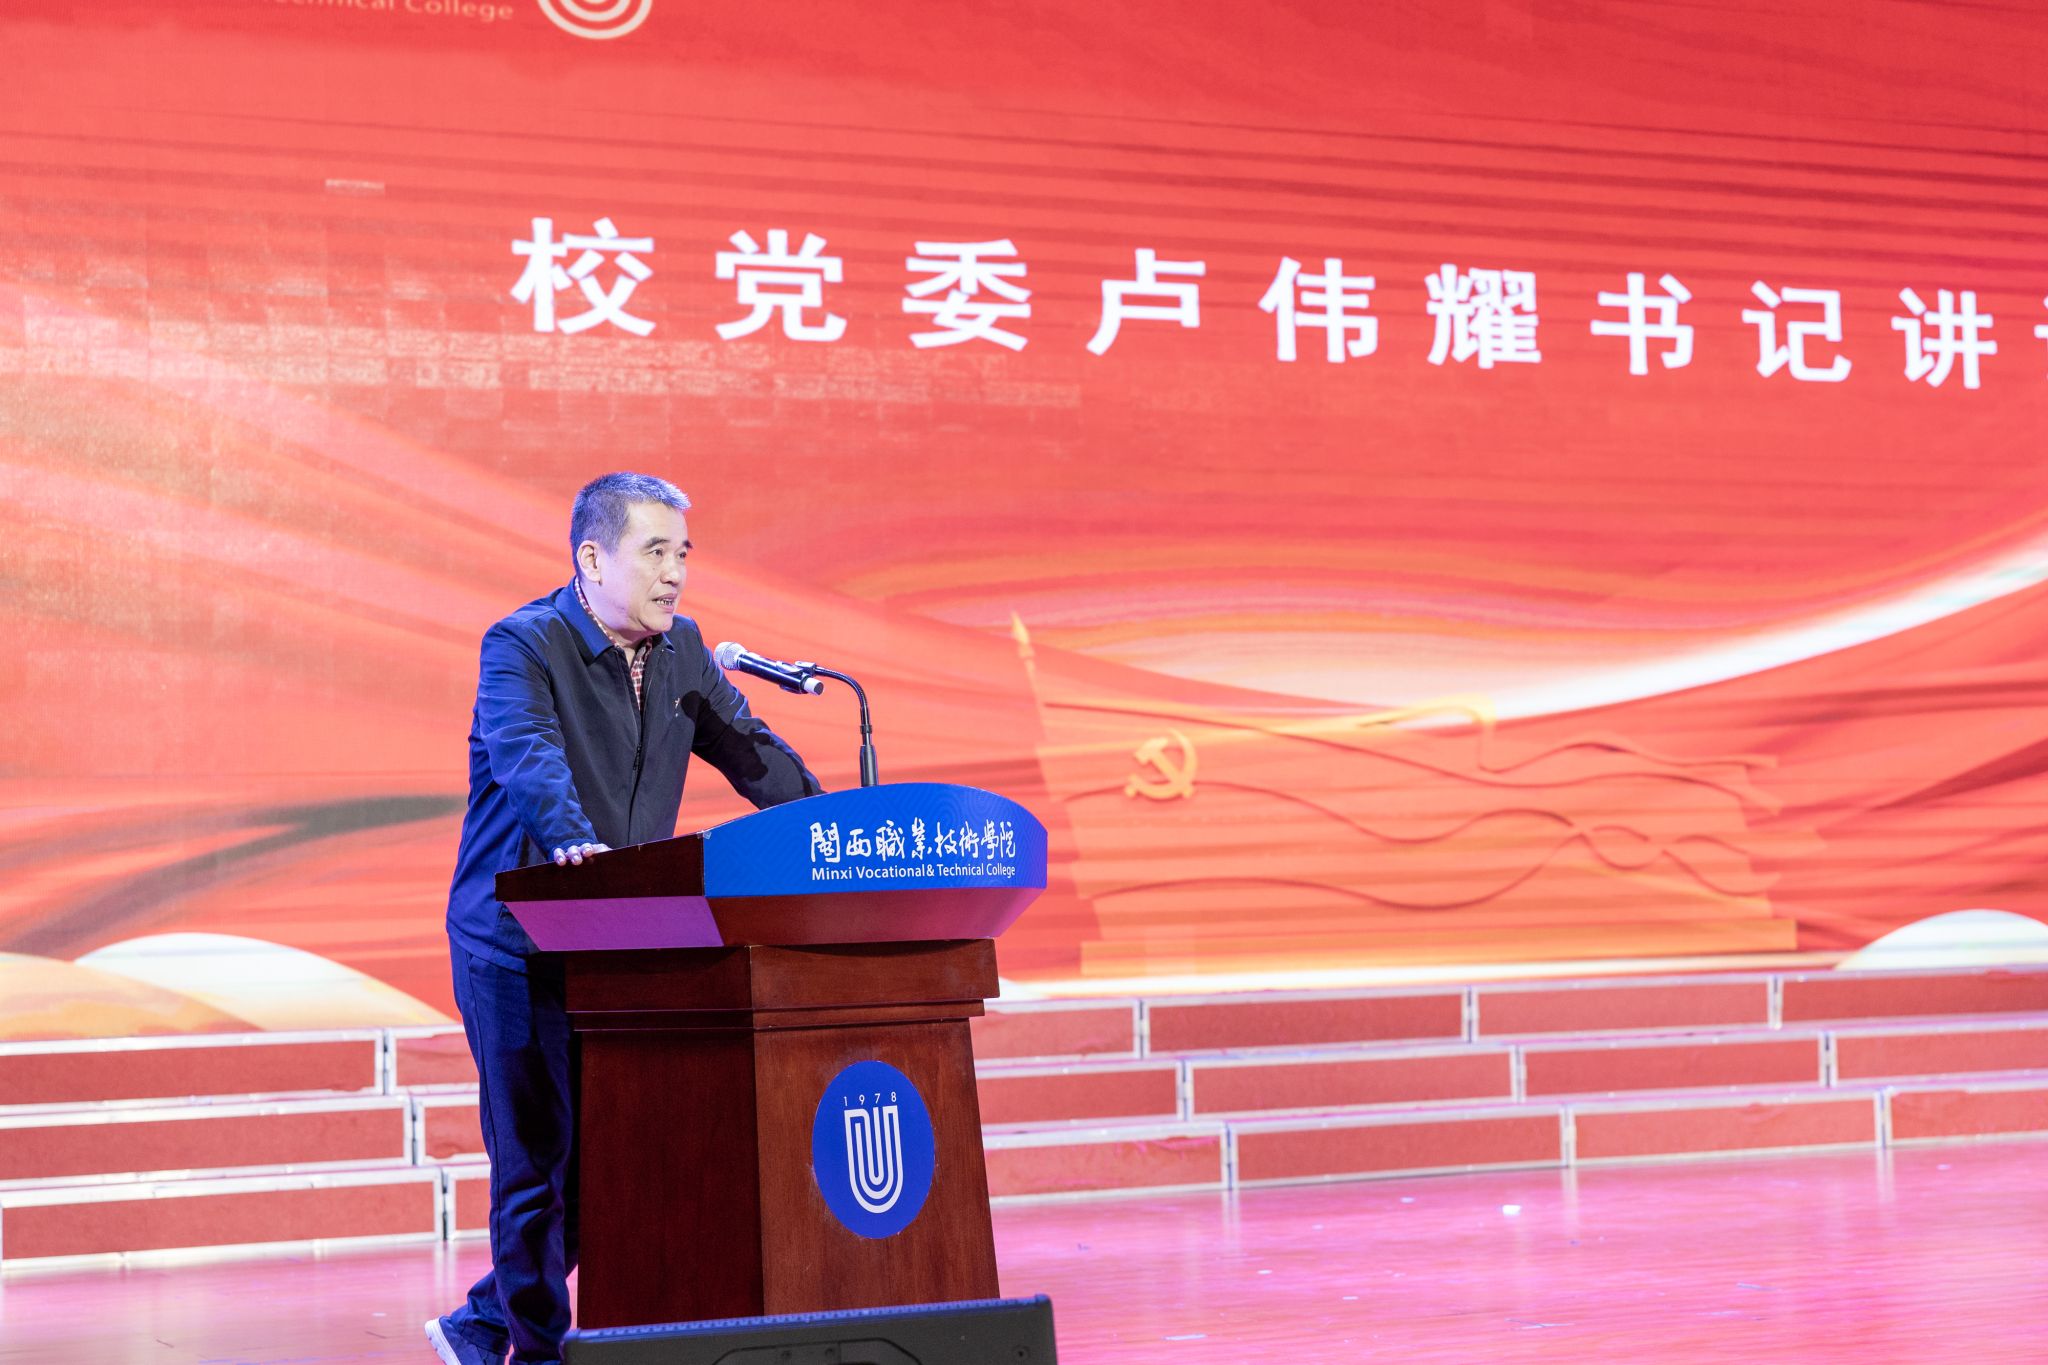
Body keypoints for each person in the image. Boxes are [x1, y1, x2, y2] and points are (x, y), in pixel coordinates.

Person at [427, 472, 821, 1365]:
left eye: (683, 553)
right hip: (518, 943)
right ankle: (532, 1352)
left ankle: (480, 1324)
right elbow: (530, 759)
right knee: (537, 1167)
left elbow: (753, 754)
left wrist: (836, 830)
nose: (675, 572)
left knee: (612, 1164)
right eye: (655, 551)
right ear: (593, 558)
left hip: (618, 943)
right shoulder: (523, 643)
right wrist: (576, 842)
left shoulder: (683, 652)